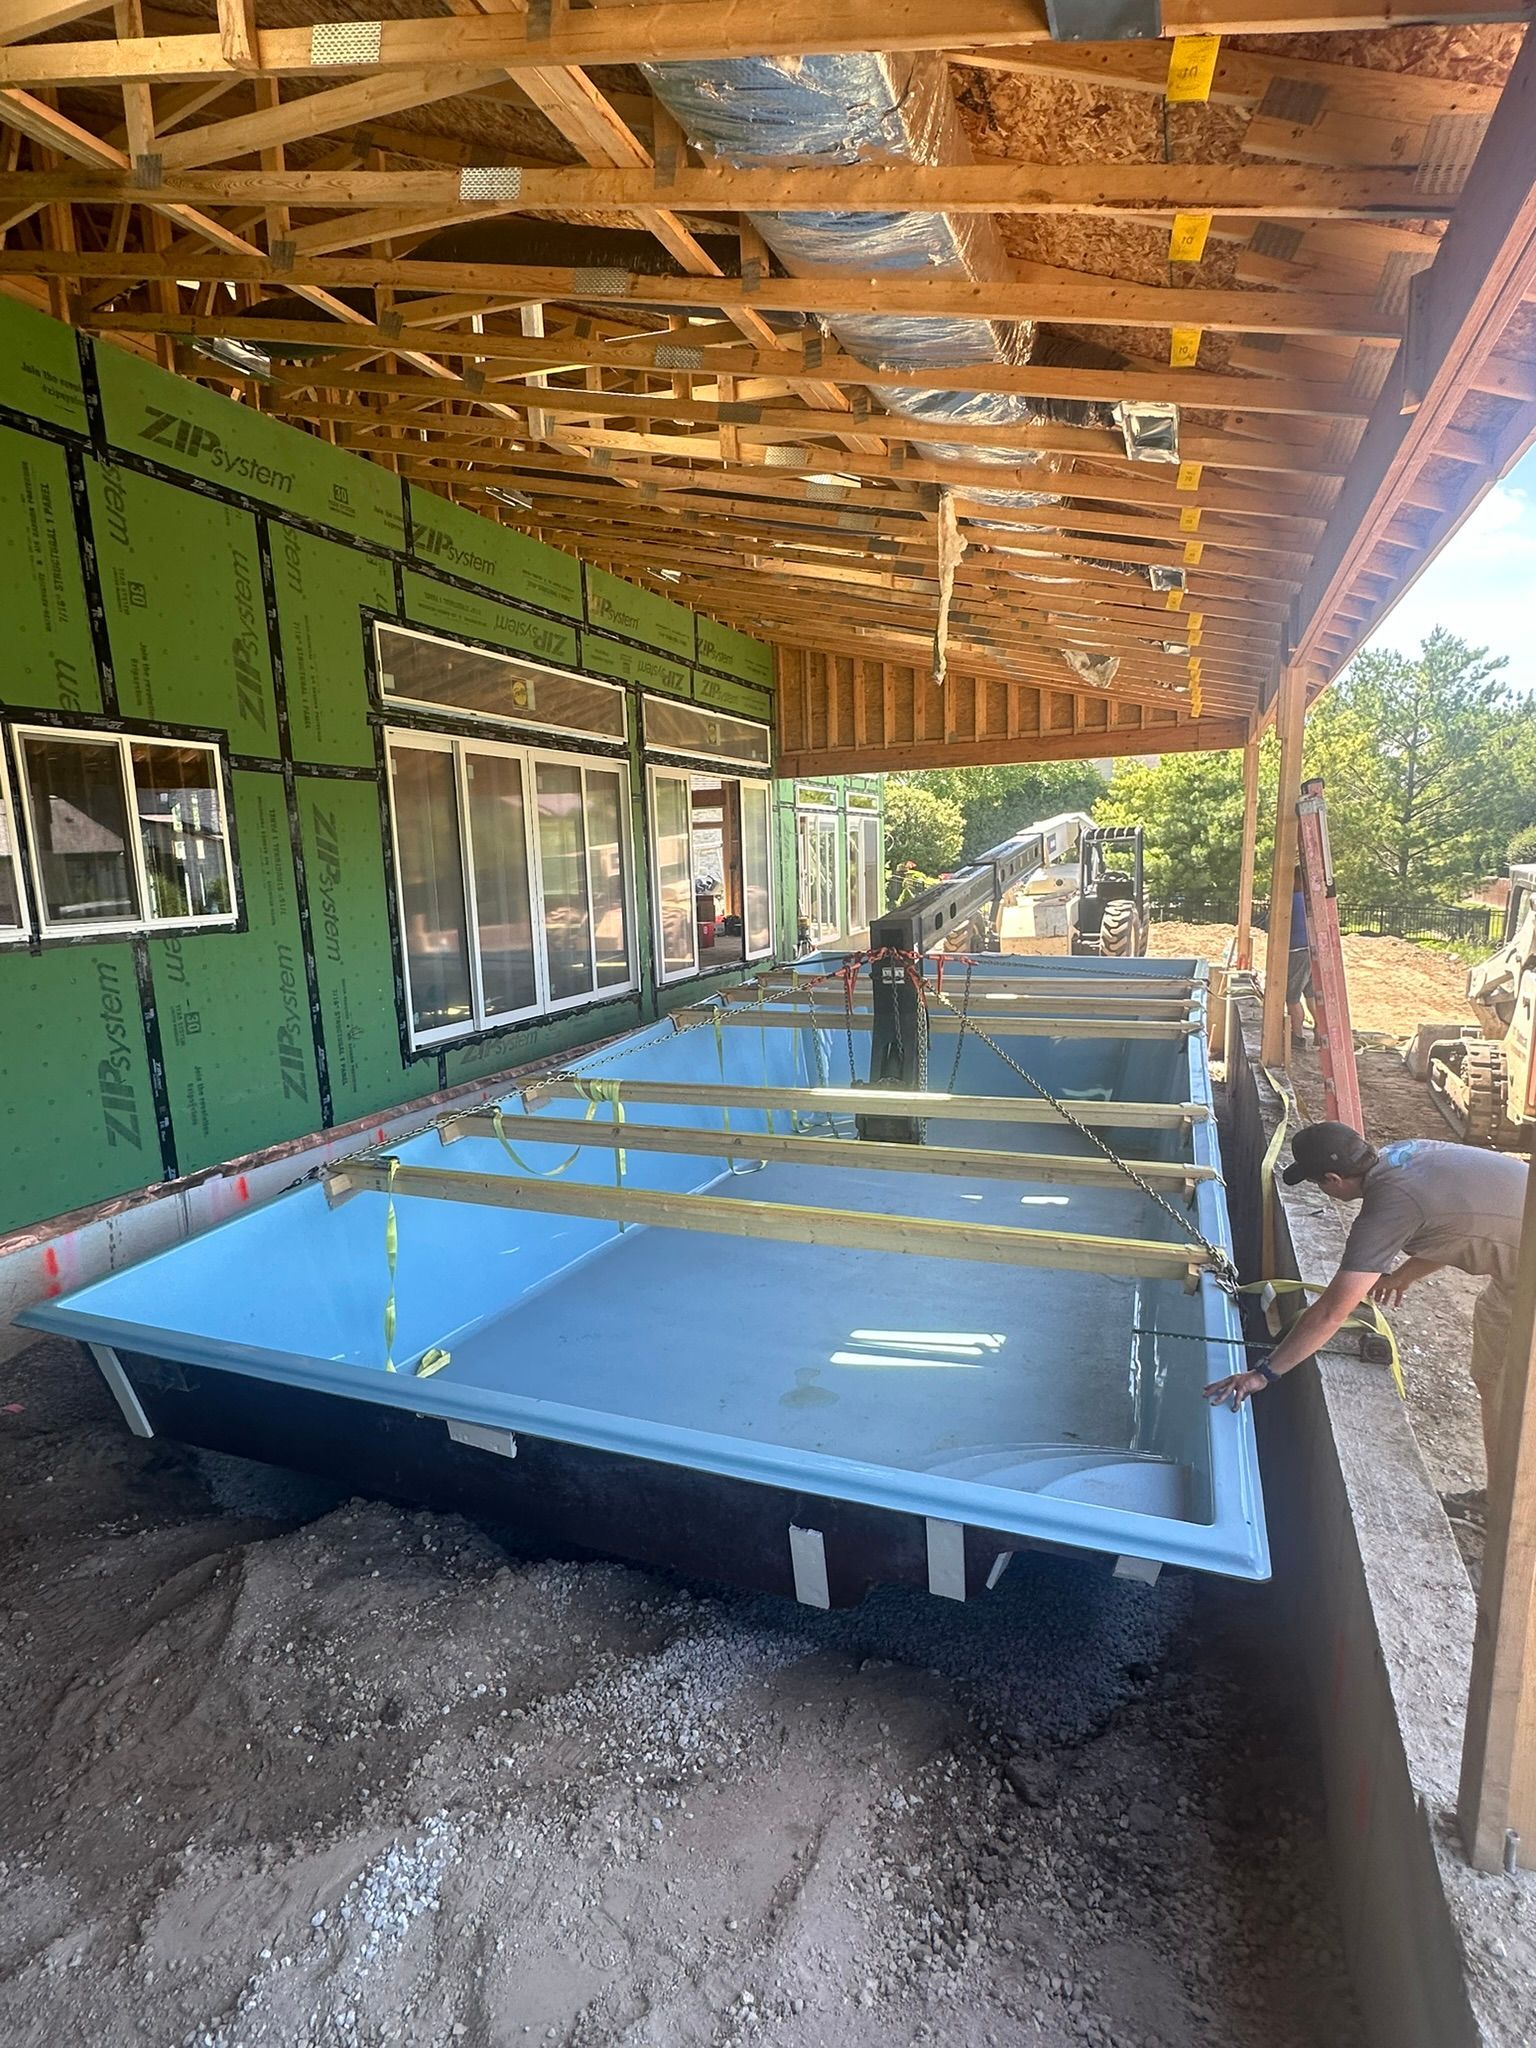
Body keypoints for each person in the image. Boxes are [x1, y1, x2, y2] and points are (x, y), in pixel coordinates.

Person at [1204, 1121, 1529, 1470]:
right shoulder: (1403, 1153)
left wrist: (1262, 1374)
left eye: (1317, 1183)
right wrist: (1404, 1275)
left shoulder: (1387, 1208)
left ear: (1332, 1180)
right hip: (1518, 1268)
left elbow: (1332, 1311)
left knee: (1510, 1394)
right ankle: (1500, 1492)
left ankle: (1506, 1504)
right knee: (1492, 1366)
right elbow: (1460, 1224)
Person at [1285, 864, 1319, 1046]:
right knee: (1311, 993)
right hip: (1312, 950)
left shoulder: (1291, 900)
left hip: (1297, 952)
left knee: (1292, 996)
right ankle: (1320, 1030)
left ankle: (1297, 1036)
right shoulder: (1309, 900)